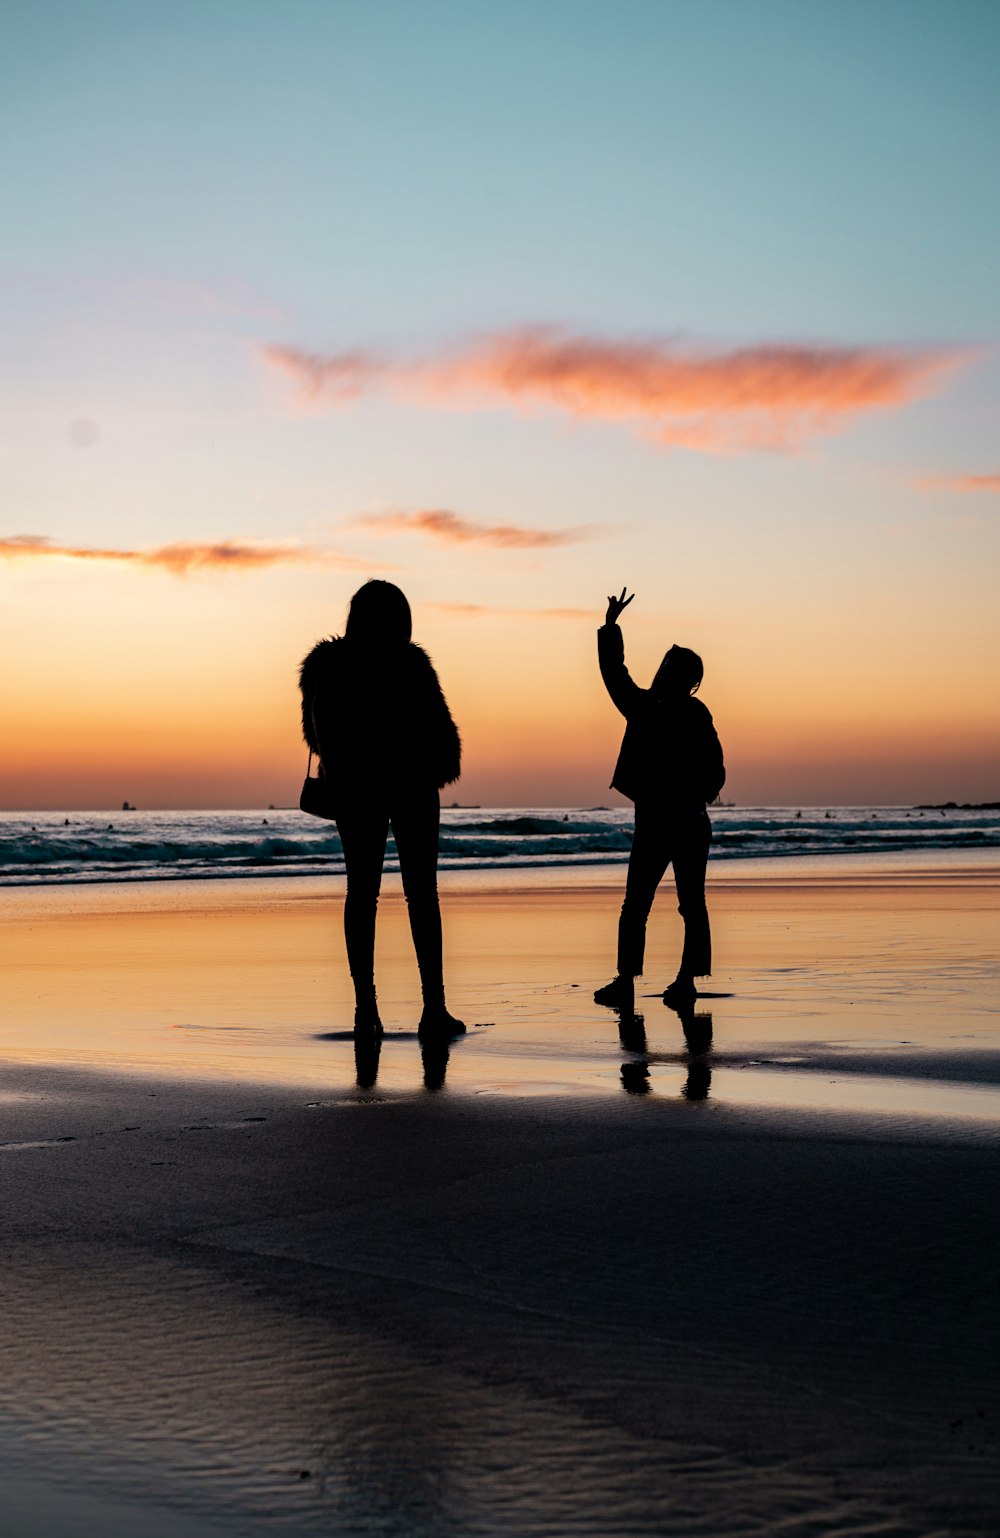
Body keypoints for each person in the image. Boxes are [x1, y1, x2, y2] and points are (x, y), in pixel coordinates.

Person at [299, 580, 464, 1035]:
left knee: (363, 894)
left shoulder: (328, 666)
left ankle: (366, 1011)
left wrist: (354, 766)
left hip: (357, 791)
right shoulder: (411, 663)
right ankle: (434, 1009)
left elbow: (318, 734)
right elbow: (439, 729)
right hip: (412, 786)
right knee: (421, 895)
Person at [594, 588, 725, 1008]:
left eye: (671, 667)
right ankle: (630, 980)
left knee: (680, 904)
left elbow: (715, 769)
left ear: (686, 679)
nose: (663, 671)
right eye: (665, 664)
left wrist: (689, 798)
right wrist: (611, 627)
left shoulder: (676, 711)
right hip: (665, 821)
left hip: (677, 821)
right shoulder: (649, 706)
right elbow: (616, 674)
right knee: (641, 904)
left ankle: (681, 980)